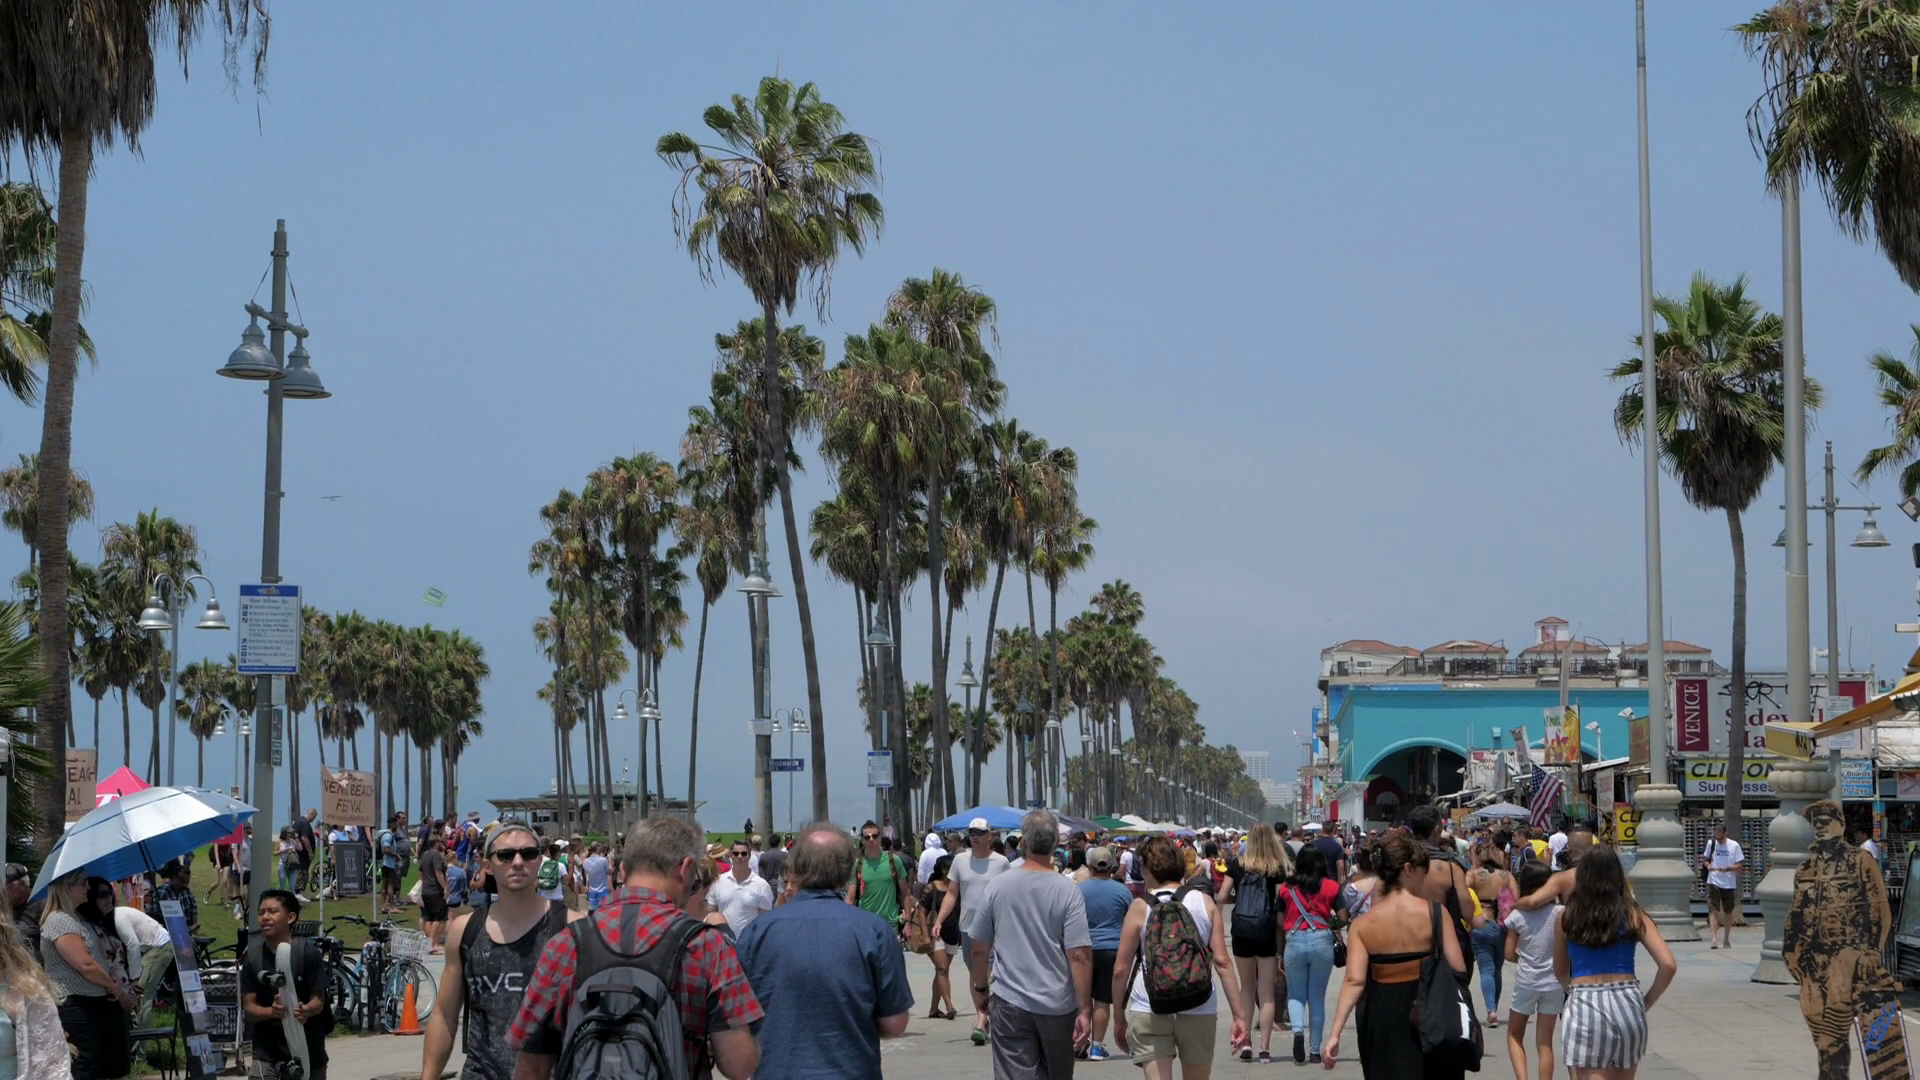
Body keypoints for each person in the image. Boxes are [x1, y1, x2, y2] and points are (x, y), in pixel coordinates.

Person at [508, 816, 763, 1079]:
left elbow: (531, 1068)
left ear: (622, 870)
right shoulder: (707, 945)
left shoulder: (566, 944)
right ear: (686, 868)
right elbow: (739, 1064)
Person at [738, 823, 912, 1078]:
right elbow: (895, 1023)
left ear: (797, 868)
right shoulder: (873, 931)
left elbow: (736, 1019)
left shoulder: (757, 932)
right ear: (845, 871)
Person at [423, 822, 577, 1080]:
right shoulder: (465, 930)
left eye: (528, 853)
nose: (517, 862)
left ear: (539, 862)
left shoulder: (571, 928)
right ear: (488, 866)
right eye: (505, 855)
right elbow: (444, 1015)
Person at [1322, 833, 1468, 1078]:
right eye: (1423, 873)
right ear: (1409, 869)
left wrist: (1335, 1033)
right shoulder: (1436, 913)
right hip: (1431, 1010)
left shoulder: (1362, 925)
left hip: (1382, 1012)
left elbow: (1354, 981)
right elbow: (1458, 969)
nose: (1424, 879)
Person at [1786, 799, 1910, 1079]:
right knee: (1824, 1039)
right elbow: (1795, 915)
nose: (1820, 827)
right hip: (1813, 962)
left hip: (1850, 955)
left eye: (1825, 822)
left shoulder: (1860, 860)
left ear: (1841, 825)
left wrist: (1872, 951)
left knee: (1841, 1034)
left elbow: (1880, 909)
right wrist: (1791, 954)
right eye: (1815, 824)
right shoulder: (1805, 868)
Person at [1112, 836, 1248, 1079]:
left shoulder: (1140, 907)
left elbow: (1121, 969)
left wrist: (1119, 1017)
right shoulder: (1204, 902)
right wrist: (1239, 1015)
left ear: (1148, 870)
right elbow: (1222, 962)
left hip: (1150, 1005)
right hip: (1199, 1004)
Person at [971, 809, 1093, 1078]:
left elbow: (979, 948)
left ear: (1023, 843)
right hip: (1058, 1004)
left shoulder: (997, 886)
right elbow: (1079, 955)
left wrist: (980, 989)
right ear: (1055, 844)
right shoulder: (1068, 890)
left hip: (1010, 1001)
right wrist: (1085, 1009)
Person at [1553, 847, 1678, 1078]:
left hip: (1585, 999)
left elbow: (1560, 971)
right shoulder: (1633, 914)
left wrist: (1573, 992)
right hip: (1627, 999)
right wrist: (1646, 1001)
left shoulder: (1567, 916)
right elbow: (1668, 964)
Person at [42, 871, 137, 1080]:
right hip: (75, 1003)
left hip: (91, 1002)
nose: (87, 887)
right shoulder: (59, 920)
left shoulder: (74, 919)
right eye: (83, 883)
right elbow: (85, 964)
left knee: (98, 1065)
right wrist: (114, 986)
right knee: (86, 1065)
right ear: (67, 887)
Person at [933, 817, 1011, 1048]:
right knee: (975, 974)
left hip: (995, 928)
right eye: (972, 833)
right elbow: (951, 894)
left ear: (990, 836)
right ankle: (983, 1017)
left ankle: (981, 1021)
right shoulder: (960, 860)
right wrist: (939, 920)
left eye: (979, 833)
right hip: (968, 927)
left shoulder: (1001, 862)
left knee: (987, 972)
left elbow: (1009, 894)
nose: (975, 837)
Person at [241, 890, 330, 1080]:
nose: (265, 917)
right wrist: (271, 1012)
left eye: (273, 912)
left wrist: (306, 1010)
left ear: (291, 917)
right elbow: (249, 1007)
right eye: (261, 912)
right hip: (267, 1051)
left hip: (307, 1050)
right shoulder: (253, 959)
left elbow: (319, 1000)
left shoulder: (307, 953)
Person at [1217, 822, 1285, 1063]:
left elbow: (1222, 896)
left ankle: (1245, 1043)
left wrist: (1239, 901)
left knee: (1246, 987)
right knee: (1266, 993)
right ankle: (1264, 1049)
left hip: (1242, 930)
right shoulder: (1276, 867)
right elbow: (1280, 903)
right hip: (1266, 931)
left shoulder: (1237, 865)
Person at [1280, 843, 1343, 1065]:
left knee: (1296, 995)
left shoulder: (1286, 888)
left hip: (1294, 939)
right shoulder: (1332, 886)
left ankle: (1298, 1031)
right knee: (1317, 997)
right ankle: (1315, 1051)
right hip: (1321, 940)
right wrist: (1331, 923)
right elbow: (1343, 917)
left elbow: (1279, 920)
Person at [1502, 861, 1564, 1080]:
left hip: (1527, 980)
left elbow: (1508, 953)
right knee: (1545, 1043)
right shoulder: (1560, 912)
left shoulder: (1518, 915)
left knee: (1514, 1034)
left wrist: (1524, 959)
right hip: (1554, 981)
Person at [1078, 846, 1133, 1062]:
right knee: (1102, 1001)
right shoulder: (1122, 891)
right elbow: (1131, 920)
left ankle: (1079, 1042)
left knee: (1082, 1000)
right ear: (1111, 867)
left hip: (1083, 949)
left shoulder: (1079, 890)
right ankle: (1097, 1047)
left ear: (1089, 866)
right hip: (1112, 950)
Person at [1469, 840, 1517, 1028]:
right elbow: (1516, 899)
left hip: (1481, 922)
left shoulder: (1473, 875)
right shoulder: (1507, 876)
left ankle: (1491, 1011)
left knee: (1486, 969)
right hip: (1502, 925)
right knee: (1497, 969)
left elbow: (1463, 895)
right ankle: (1494, 1007)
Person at [919, 855, 961, 1021]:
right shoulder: (932, 887)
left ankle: (934, 1009)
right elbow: (922, 912)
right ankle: (949, 1006)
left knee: (941, 971)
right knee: (942, 968)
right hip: (935, 933)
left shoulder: (957, 887)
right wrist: (925, 935)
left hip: (953, 933)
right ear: (944, 870)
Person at [847, 820, 910, 928]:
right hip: (865, 926)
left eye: (875, 836)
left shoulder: (894, 861)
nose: (871, 839)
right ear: (863, 840)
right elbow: (850, 899)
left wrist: (908, 923)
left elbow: (906, 895)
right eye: (867, 837)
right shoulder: (858, 864)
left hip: (890, 925)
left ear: (880, 838)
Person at [708, 838, 775, 932]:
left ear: (749, 856)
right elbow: (711, 912)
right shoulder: (718, 881)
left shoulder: (762, 886)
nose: (739, 856)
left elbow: (766, 920)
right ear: (731, 856)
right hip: (723, 939)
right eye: (736, 853)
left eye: (743, 853)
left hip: (749, 940)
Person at [1702, 822, 1744, 950]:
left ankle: (1726, 939)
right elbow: (1705, 859)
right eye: (1717, 838)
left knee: (1728, 911)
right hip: (1713, 880)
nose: (1718, 841)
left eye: (1720, 838)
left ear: (1725, 834)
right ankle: (1714, 940)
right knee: (1713, 910)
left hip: (1728, 882)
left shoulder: (1734, 845)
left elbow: (1740, 865)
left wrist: (1728, 868)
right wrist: (1708, 865)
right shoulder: (1711, 843)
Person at [143, 859, 198, 935]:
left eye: (187, 882)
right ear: (174, 877)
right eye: (182, 881)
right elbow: (155, 919)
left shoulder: (187, 892)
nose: (184, 885)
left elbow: (194, 910)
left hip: (187, 935)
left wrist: (194, 925)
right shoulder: (162, 893)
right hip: (167, 935)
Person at [3, 867, 36, 962]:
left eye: (8, 887)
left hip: (35, 964)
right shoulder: (7, 907)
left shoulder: (41, 905)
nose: (5, 892)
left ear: (22, 884)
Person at [1341, 842, 1379, 919]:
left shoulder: (1352, 888)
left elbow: (1346, 912)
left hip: (1360, 923)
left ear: (1358, 865)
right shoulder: (1386, 884)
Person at [580, 841, 612, 910]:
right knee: (604, 911)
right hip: (603, 890)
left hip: (592, 891)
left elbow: (583, 866)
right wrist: (611, 862)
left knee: (592, 911)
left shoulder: (586, 861)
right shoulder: (603, 860)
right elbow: (610, 872)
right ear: (597, 848)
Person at [758, 834, 788, 900]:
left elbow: (760, 873)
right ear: (779, 843)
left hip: (767, 885)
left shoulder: (763, 856)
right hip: (781, 886)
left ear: (769, 843)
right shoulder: (785, 855)